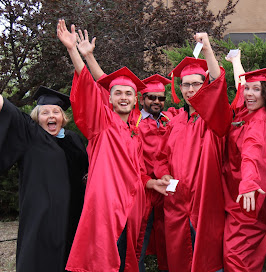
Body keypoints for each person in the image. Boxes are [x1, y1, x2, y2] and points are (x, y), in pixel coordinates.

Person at [57, 19, 169, 272]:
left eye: (129, 94)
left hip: (132, 208)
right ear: (109, 97)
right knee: (102, 261)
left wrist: (153, 183)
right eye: (118, 92)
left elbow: (138, 174)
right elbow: (87, 84)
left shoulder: (134, 132)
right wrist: (74, 51)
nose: (124, 97)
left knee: (125, 262)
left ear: (135, 99)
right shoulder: (101, 124)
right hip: (107, 207)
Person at [154, 33, 233, 272]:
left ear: (205, 85)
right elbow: (161, 157)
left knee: (207, 262)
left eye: (196, 84)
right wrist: (164, 174)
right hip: (176, 203)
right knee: (180, 261)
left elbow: (219, 88)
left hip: (204, 204)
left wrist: (207, 49)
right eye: (186, 85)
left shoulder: (213, 119)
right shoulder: (174, 122)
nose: (190, 90)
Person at [0, 86, 88, 271]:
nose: (51, 116)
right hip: (42, 215)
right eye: (45, 112)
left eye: (56, 112)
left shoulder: (74, 139)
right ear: (36, 117)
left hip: (74, 215)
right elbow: (7, 109)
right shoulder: (30, 135)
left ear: (63, 117)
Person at [222, 50, 266, 272]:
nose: (249, 94)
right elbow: (240, 87)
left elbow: (252, 154)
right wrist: (236, 61)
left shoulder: (257, 124)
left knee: (235, 258)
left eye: (257, 89)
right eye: (249, 88)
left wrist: (248, 183)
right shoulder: (249, 113)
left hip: (248, 199)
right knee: (247, 259)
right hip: (242, 198)